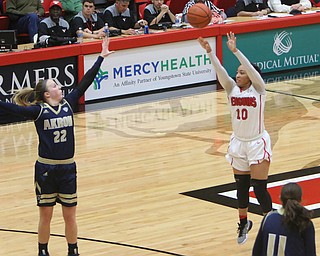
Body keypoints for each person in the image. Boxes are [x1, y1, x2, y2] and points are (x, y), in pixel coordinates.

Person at [0, 37, 114, 256]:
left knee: (70, 215)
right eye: (55, 85)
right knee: (46, 215)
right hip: (46, 169)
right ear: (46, 94)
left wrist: (100, 57)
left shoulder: (69, 104)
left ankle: (73, 251)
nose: (60, 86)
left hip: (68, 168)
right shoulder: (38, 111)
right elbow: (8, 107)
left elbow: (84, 82)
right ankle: (43, 251)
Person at [198, 32, 273, 245]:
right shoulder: (231, 89)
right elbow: (220, 71)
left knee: (259, 188)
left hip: (257, 141)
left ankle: (270, 223)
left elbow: (250, 69)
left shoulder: (259, 89)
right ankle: (243, 223)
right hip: (239, 142)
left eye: (241, 73)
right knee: (241, 186)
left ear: (249, 75)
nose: (237, 75)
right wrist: (210, 52)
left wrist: (236, 51)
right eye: (237, 72)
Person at [252, 182, 316, 255]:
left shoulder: (268, 218)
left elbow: (256, 251)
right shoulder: (304, 223)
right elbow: (311, 253)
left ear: (280, 198)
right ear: (300, 199)